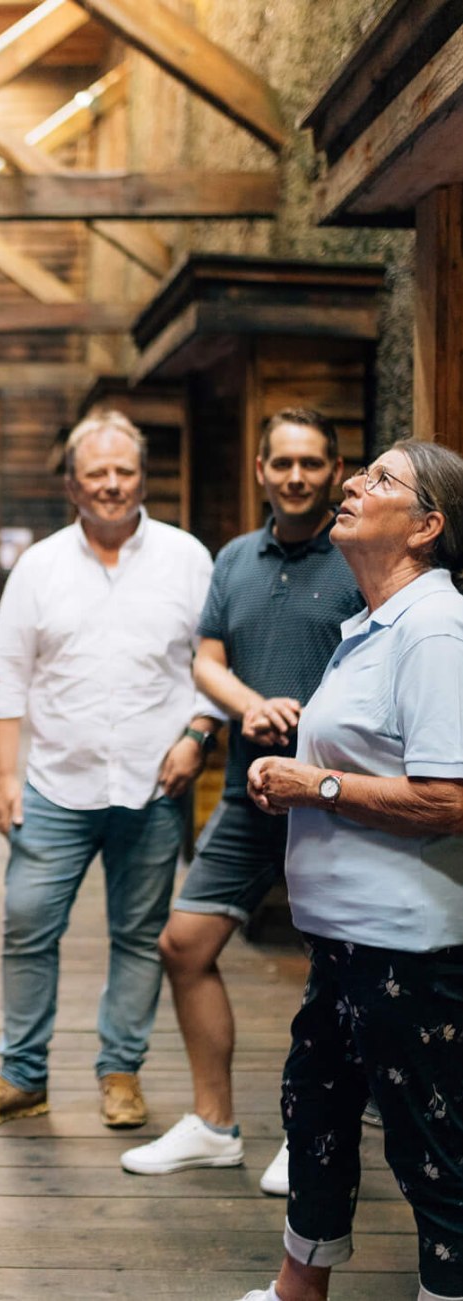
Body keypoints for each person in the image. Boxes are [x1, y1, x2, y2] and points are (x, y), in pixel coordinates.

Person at [236, 439, 463, 1301]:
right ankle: (297, 1288)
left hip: (408, 945)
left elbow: (446, 798)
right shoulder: (373, 622)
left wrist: (315, 784)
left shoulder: (433, 628)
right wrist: (292, 778)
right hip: (343, 937)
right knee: (316, 1111)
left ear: (425, 526)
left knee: (431, 1149)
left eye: (379, 478)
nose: (352, 484)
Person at [0, 409, 218, 1131]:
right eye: (96, 473)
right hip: (55, 783)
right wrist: (4, 777)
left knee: (138, 933)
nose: (111, 484)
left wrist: (198, 734)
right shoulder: (38, 567)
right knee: (27, 925)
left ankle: (120, 1071)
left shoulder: (187, 558)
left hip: (154, 783)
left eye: (124, 471)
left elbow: (212, 663)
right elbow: (5, 676)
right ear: (71, 484)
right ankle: (22, 1075)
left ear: (143, 478)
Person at [121, 409, 361, 1193]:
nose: (295, 475)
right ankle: (212, 1126)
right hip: (245, 794)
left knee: (332, 971)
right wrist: (248, 706)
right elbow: (207, 659)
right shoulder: (233, 557)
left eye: (311, 462)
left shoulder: (358, 556)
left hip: (336, 801)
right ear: (260, 469)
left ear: (333, 471)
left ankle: (313, 1136)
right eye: (281, 462)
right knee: (184, 945)